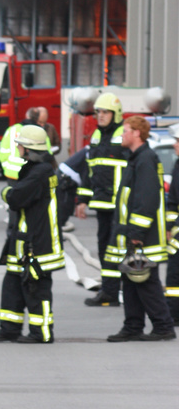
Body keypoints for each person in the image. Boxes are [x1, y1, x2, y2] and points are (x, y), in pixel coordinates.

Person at [0, 124, 64, 344]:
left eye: (20, 145)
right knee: (12, 284)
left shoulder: (40, 173)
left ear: (28, 148)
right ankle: (9, 328)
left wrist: (5, 191)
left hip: (38, 244)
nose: (18, 148)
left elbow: (15, 198)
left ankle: (41, 333)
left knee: (36, 287)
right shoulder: (36, 170)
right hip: (24, 241)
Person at [104, 115, 175, 341]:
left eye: (125, 131)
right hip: (132, 236)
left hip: (142, 237)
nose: (122, 135)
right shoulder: (136, 159)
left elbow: (146, 201)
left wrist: (136, 234)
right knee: (131, 280)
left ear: (136, 133)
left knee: (146, 282)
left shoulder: (145, 160)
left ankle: (163, 327)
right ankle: (132, 327)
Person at [75, 93, 129, 307]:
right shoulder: (97, 136)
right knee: (104, 249)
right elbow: (90, 171)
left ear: (115, 114)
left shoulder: (123, 134)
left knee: (118, 250)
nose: (101, 116)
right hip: (102, 204)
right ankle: (109, 292)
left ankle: (124, 291)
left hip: (120, 206)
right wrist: (82, 200)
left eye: (105, 112)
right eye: (98, 112)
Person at [0, 107, 48, 180]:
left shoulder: (12, 129)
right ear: (38, 119)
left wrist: (6, 167)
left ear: (27, 116)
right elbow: (48, 152)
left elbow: (3, 151)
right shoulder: (40, 132)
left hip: (12, 173)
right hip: (33, 173)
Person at [164, 124, 179, 326]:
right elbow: (173, 202)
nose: (175, 145)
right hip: (177, 235)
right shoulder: (177, 166)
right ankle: (174, 313)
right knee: (174, 274)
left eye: (177, 141)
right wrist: (169, 227)